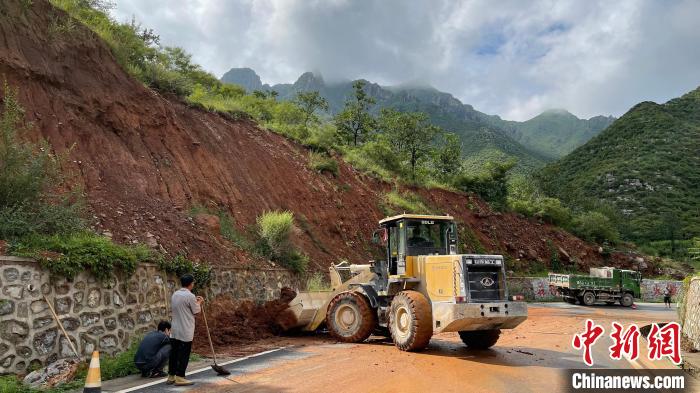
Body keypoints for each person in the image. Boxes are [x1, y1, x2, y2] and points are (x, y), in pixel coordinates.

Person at [167, 274, 204, 386]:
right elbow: (196, 311)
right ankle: (180, 377)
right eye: (193, 283)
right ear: (190, 284)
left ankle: (171, 376)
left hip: (175, 329)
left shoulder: (175, 294)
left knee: (174, 353)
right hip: (185, 329)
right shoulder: (190, 296)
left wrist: (195, 302)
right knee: (184, 354)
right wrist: (200, 302)